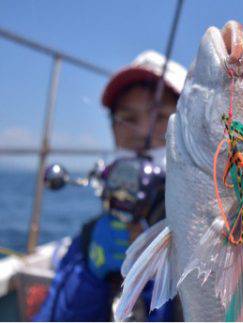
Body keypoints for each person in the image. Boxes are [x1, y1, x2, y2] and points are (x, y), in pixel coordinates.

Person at [34, 51, 187, 322]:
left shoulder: (212, 233)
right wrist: (90, 275)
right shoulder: (91, 237)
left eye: (160, 116)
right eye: (128, 118)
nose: (142, 133)